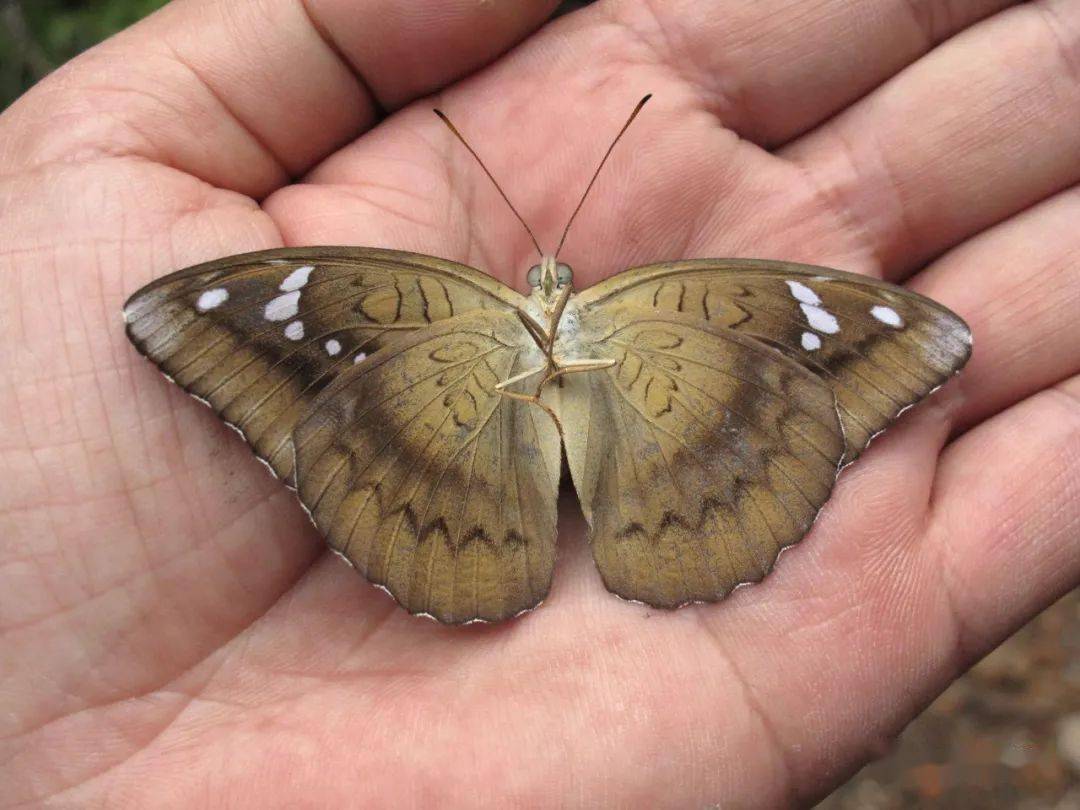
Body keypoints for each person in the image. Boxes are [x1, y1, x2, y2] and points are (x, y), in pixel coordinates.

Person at [1, 0, 1076, 805]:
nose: (549, 299)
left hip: (676, 479)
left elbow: (847, 346)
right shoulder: (375, 303)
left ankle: (647, 522)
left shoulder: (706, 304)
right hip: (439, 487)